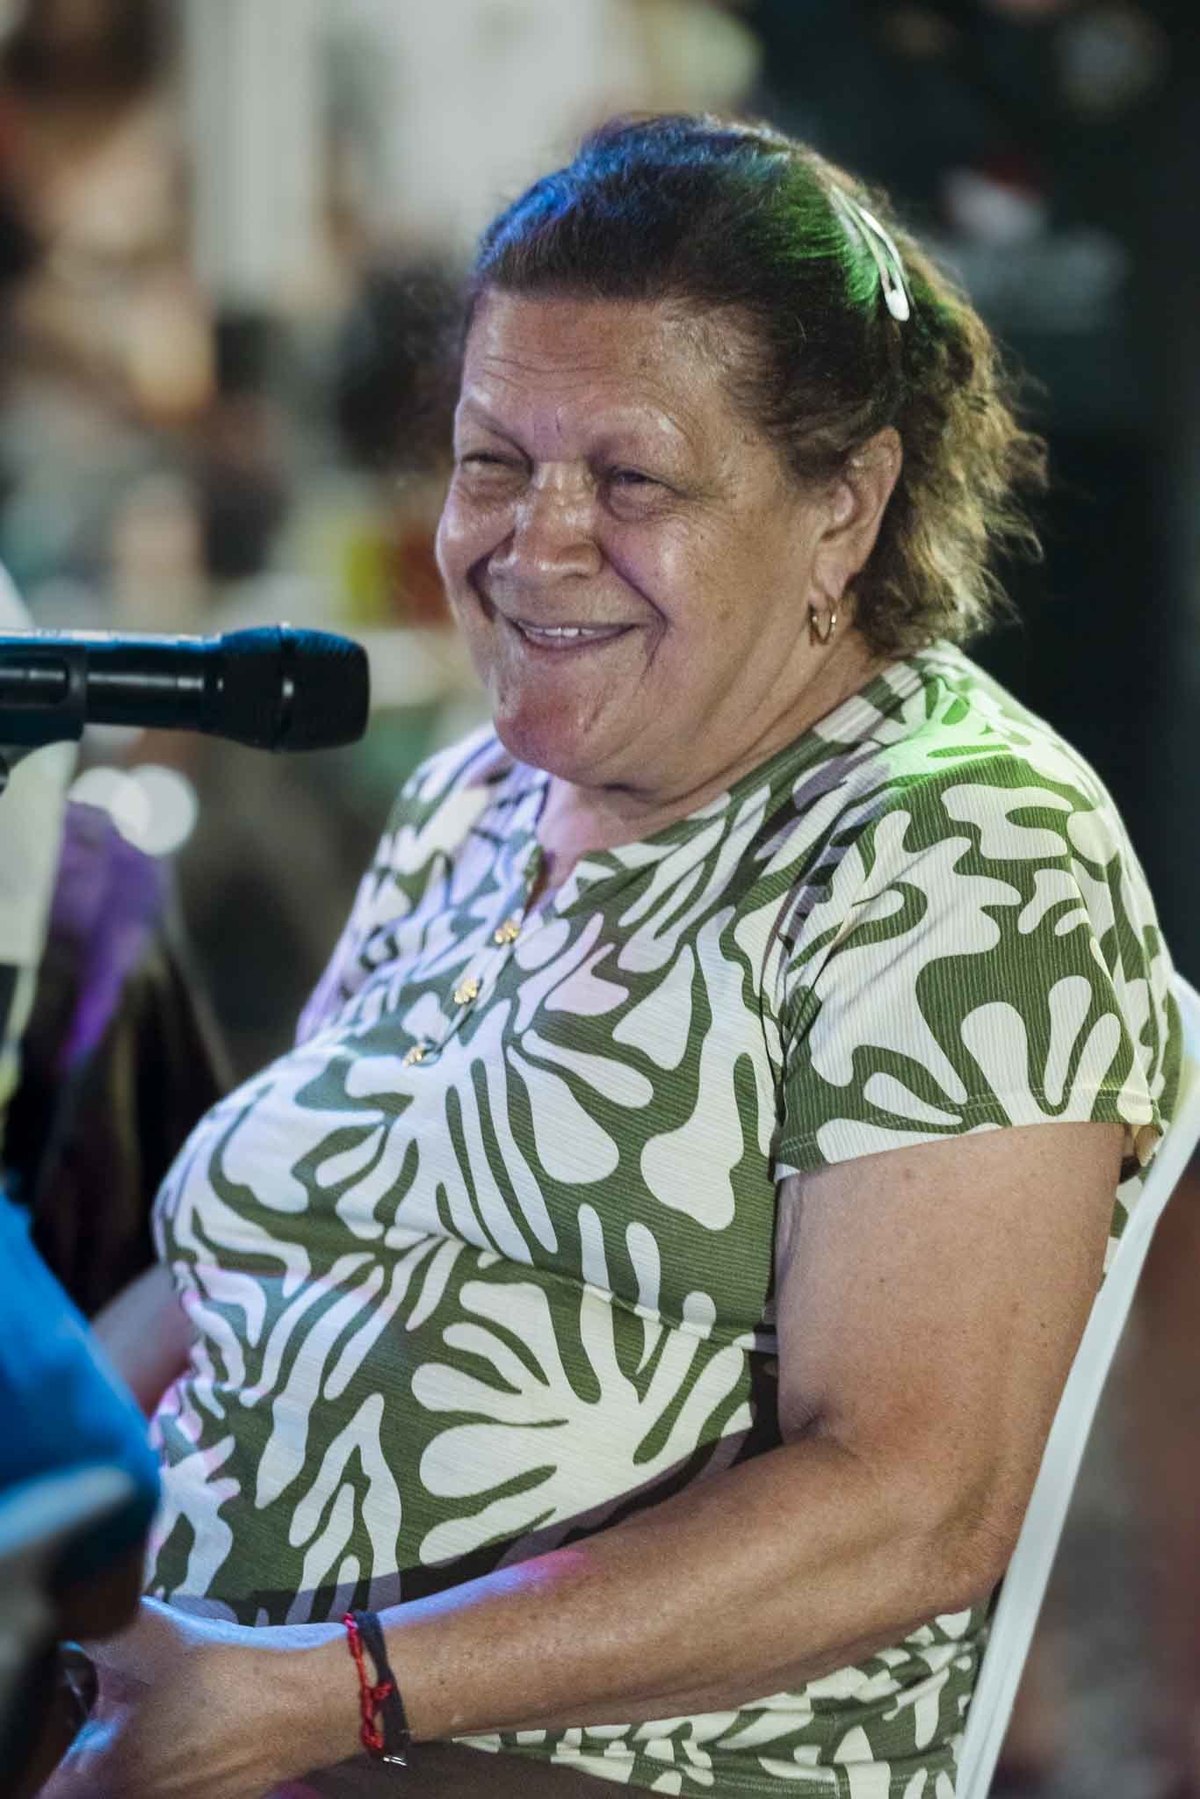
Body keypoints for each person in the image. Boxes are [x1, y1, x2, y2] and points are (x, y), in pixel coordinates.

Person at [41, 115, 1180, 1799]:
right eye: (492, 462)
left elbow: (909, 1503)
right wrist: (36, 1517)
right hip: (206, 1704)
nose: (534, 541)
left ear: (844, 508)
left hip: (556, 1761)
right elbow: (244, 1262)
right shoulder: (472, 798)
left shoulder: (959, 843)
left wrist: (319, 1694)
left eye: (631, 481)